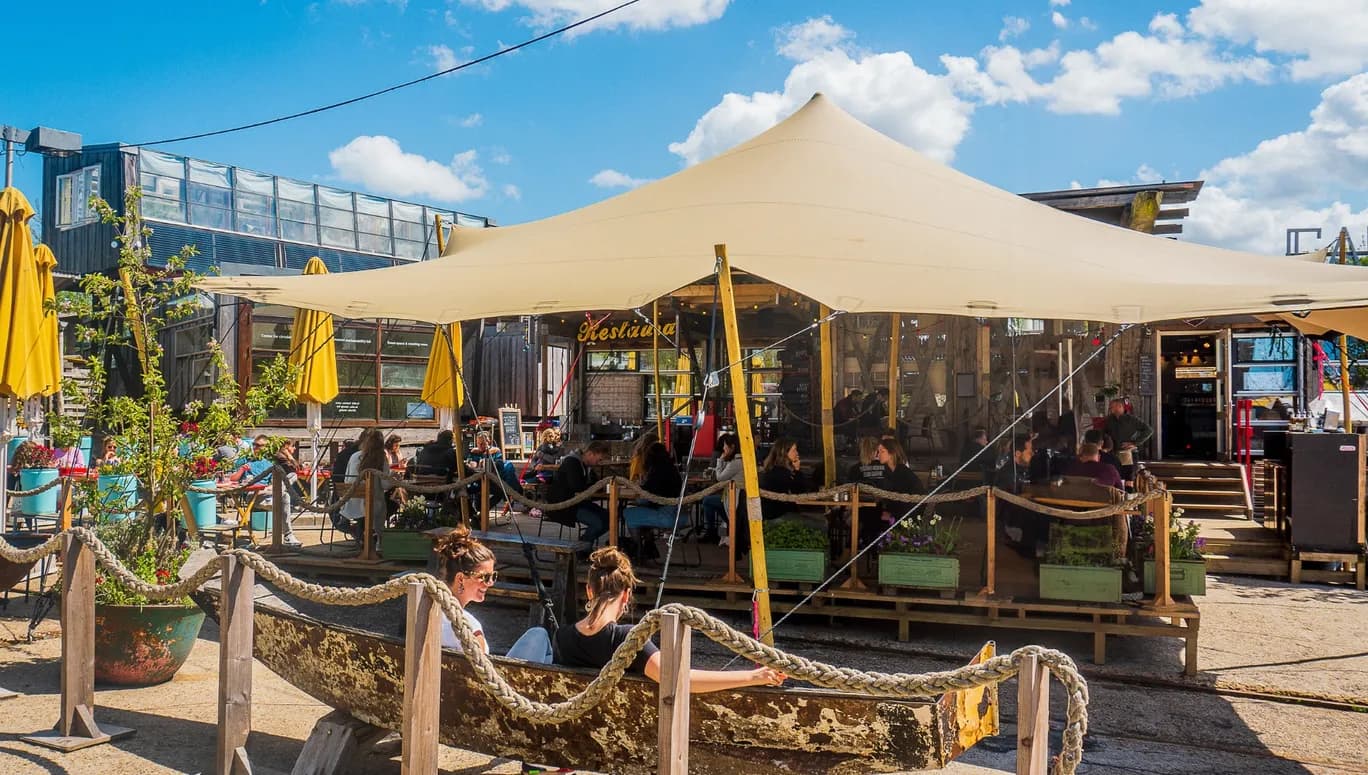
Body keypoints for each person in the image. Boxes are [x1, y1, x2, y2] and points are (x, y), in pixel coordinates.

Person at [553, 547, 786, 690]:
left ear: (589, 591)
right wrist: (754, 676)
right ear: (627, 595)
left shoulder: (561, 637)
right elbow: (680, 681)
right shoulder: (626, 639)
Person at [431, 524, 555, 662]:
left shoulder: (426, 612)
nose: (490, 583)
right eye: (485, 577)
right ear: (460, 578)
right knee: (539, 635)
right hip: (485, 681)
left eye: (493, 576)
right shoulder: (469, 627)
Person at [545, 440, 612, 554]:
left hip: (576, 502)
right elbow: (577, 486)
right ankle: (582, 548)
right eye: (599, 459)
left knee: (609, 517)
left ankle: (584, 544)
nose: (598, 463)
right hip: (564, 505)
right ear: (591, 454)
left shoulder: (586, 465)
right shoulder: (572, 462)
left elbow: (592, 484)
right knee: (598, 523)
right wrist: (597, 485)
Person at [623, 442, 684, 565]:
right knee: (641, 512)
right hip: (678, 513)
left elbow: (647, 492)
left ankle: (638, 550)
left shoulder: (657, 471)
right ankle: (648, 546)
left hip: (667, 515)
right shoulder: (672, 470)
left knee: (628, 513)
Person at [699, 433, 742, 543]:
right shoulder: (736, 461)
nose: (723, 449)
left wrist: (720, 460)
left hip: (734, 498)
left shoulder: (736, 463)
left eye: (725, 446)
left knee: (707, 501)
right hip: (734, 496)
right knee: (714, 502)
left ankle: (712, 531)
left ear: (732, 447)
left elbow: (720, 477)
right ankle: (730, 524)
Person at [1103, 399, 1152, 481]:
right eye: (1111, 407)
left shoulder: (1131, 419)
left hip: (1128, 453)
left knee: (1128, 478)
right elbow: (1104, 433)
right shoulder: (1109, 420)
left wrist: (1135, 443)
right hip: (1113, 454)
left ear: (1120, 407)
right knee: (1116, 477)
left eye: (1114, 407)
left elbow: (1148, 430)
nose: (1112, 409)